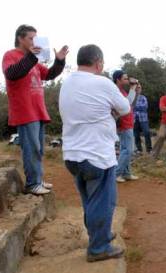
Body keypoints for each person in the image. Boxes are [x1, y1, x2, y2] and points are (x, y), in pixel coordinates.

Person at [59, 44, 128, 262]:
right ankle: (99, 248)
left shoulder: (67, 82)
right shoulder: (102, 83)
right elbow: (125, 107)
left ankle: (101, 235)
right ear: (98, 63)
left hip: (72, 154)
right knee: (103, 202)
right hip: (97, 154)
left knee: (90, 201)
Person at [2, 24, 68, 195]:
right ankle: (32, 184)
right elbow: (12, 73)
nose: (34, 41)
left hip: (38, 110)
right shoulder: (10, 55)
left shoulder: (33, 61)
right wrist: (31, 56)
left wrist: (59, 61)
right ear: (20, 38)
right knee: (31, 149)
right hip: (24, 111)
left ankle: (37, 179)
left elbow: (50, 74)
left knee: (38, 149)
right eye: (31, 38)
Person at [112, 70, 139, 183]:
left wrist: (135, 91)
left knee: (125, 149)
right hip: (124, 123)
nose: (128, 80)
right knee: (128, 150)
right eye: (125, 78)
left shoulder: (121, 91)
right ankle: (116, 174)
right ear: (118, 80)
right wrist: (132, 89)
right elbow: (125, 104)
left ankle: (126, 173)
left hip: (127, 122)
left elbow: (130, 104)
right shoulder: (116, 91)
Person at [132, 81, 152, 153]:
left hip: (143, 119)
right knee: (136, 135)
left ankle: (149, 149)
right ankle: (139, 149)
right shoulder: (131, 97)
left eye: (139, 88)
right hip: (134, 119)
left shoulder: (143, 98)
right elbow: (130, 107)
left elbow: (145, 107)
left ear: (141, 89)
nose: (138, 89)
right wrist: (135, 107)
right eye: (137, 88)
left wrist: (135, 106)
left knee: (147, 133)